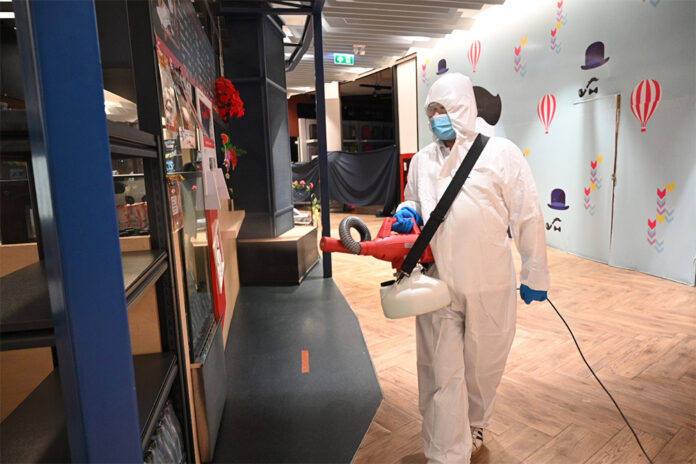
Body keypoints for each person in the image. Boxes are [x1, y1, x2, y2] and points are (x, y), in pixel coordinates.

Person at [392, 73, 550, 463]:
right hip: (436, 285)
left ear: (463, 109)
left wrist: (535, 272)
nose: (435, 117)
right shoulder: (422, 161)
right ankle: (446, 452)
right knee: (440, 373)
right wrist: (407, 211)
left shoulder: (502, 154)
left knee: (484, 365)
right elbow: (412, 202)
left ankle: (475, 424)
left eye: (442, 109)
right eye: (431, 110)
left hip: (489, 283)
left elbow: (527, 216)